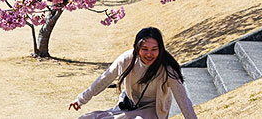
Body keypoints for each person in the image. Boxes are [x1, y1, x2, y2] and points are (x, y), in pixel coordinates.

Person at [69, 27, 197, 119]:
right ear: (137, 47)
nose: (149, 54)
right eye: (144, 49)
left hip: (154, 108)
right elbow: (105, 79)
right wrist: (81, 99)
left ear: (161, 49)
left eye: (154, 49)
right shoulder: (127, 59)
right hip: (130, 104)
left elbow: (183, 100)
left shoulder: (167, 69)